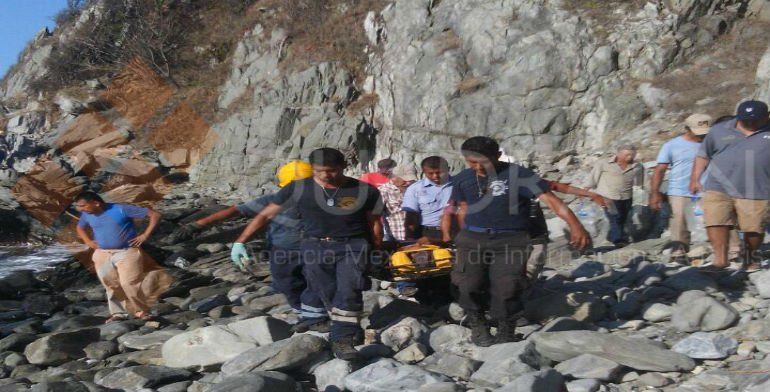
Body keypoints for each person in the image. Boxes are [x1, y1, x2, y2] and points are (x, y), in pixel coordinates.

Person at [231, 148, 383, 360]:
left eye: (331, 171)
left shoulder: (365, 190)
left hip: (353, 246)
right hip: (315, 247)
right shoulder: (298, 188)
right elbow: (265, 215)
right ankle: (332, 323)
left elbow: (375, 222)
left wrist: (377, 249)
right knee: (326, 290)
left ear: (343, 167)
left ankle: (344, 339)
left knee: (349, 290)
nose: (325, 176)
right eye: (319, 171)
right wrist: (240, 241)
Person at [443, 136, 591, 346]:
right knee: (467, 284)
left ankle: (506, 329)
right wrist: (457, 234)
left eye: (482, 162)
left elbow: (551, 200)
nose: (477, 167)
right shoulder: (462, 178)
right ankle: (478, 324)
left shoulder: (519, 175)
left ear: (496, 156)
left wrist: (577, 226)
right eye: (471, 162)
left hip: (510, 240)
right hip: (472, 238)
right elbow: (462, 207)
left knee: (507, 287)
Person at [170, 161, 329, 332]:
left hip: (316, 249)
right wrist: (197, 225)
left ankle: (317, 318)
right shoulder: (273, 201)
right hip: (282, 253)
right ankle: (304, 315)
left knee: (316, 283)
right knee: (288, 284)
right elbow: (236, 211)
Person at [690, 100, 770, 270]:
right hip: (719, 186)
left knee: (754, 227)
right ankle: (720, 259)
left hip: (757, 188)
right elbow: (703, 155)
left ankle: (749, 257)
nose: (750, 123)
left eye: (755, 120)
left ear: (766, 117)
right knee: (715, 220)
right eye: (745, 119)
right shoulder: (719, 130)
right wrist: (695, 178)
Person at [74, 191, 161, 323]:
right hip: (102, 254)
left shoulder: (121, 209)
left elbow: (154, 215)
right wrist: (88, 242)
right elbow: (80, 228)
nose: (80, 209)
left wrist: (144, 235)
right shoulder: (87, 214)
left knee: (129, 283)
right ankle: (118, 313)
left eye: (82, 205)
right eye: (78, 206)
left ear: (96, 203)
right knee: (111, 284)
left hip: (127, 252)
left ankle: (142, 311)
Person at [649, 114, 711, 257]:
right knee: (678, 220)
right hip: (679, 190)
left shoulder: (711, 143)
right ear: (687, 129)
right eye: (698, 133)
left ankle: (729, 250)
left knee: (718, 219)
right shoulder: (671, 145)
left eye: (705, 133)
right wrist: (654, 193)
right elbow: (660, 170)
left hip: (707, 189)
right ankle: (679, 251)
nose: (701, 136)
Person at [526, 181, 607, 281]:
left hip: (531, 233)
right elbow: (555, 187)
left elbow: (555, 186)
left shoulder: (520, 177)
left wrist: (589, 194)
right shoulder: (515, 178)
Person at [585, 145, 645, 247]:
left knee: (622, 218)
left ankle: (612, 236)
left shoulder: (638, 166)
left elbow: (640, 182)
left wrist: (645, 191)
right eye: (627, 155)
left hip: (626, 197)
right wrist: (585, 191)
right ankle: (618, 240)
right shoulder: (604, 163)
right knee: (615, 217)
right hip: (608, 196)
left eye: (632, 155)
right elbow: (592, 178)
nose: (630, 157)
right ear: (618, 154)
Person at [403, 156, 454, 244]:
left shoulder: (459, 185)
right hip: (428, 234)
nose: (436, 176)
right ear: (424, 172)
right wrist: (410, 238)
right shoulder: (415, 188)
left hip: (456, 232)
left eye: (439, 172)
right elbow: (411, 216)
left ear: (448, 169)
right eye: (430, 173)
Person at [379, 165, 418, 242]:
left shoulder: (416, 187)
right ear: (393, 178)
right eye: (405, 180)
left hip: (418, 235)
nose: (408, 182)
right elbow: (374, 215)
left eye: (411, 179)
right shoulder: (383, 191)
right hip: (397, 237)